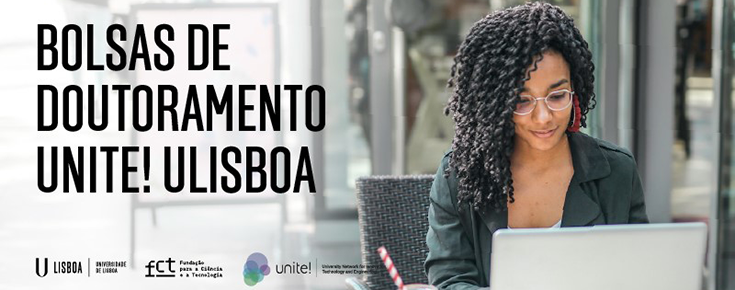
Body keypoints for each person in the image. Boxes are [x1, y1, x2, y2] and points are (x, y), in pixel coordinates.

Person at [424, 3, 649, 289]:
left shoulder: (616, 172)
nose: (543, 118)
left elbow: (638, 274)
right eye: (522, 100)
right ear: (495, 104)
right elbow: (450, 279)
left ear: (575, 90)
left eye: (556, 96)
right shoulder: (460, 174)